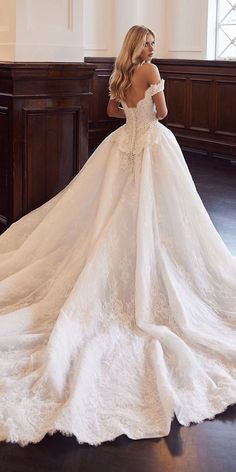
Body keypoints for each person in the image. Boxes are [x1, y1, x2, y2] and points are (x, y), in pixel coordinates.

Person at [0, 25, 235, 447]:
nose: (153, 48)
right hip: (151, 144)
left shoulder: (121, 73)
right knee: (159, 214)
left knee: (114, 210)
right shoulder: (149, 70)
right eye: (149, 42)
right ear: (139, 45)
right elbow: (162, 114)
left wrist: (132, 107)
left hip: (123, 141)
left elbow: (111, 113)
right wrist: (153, 97)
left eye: (154, 44)